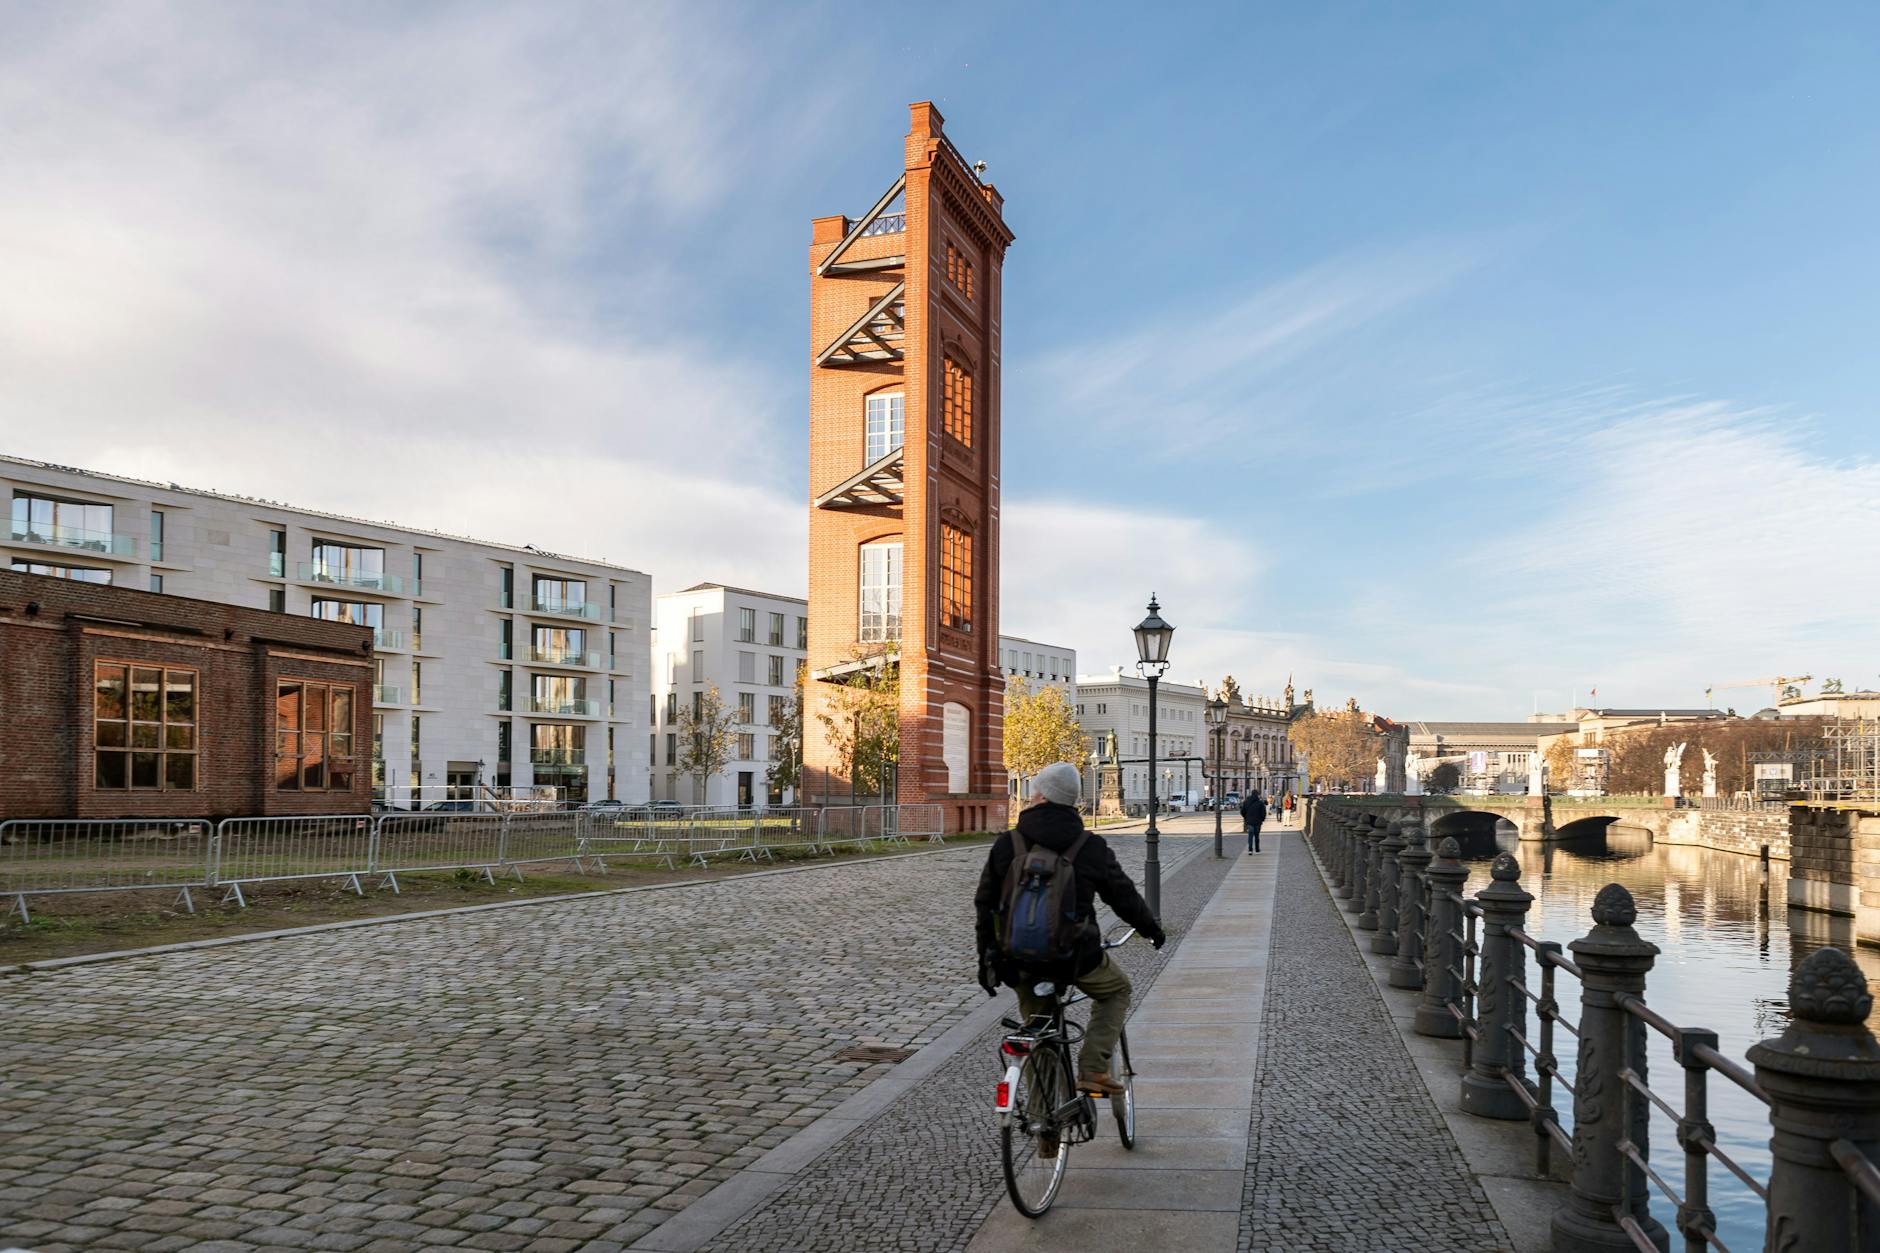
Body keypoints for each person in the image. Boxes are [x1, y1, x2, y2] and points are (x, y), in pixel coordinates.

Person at [974, 761, 1165, 1100]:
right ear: (1072, 800)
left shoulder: (1008, 843)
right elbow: (1123, 897)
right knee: (1117, 991)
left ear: (1039, 795)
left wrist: (987, 960)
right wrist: (1150, 928)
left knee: (1038, 1029)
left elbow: (985, 905)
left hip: (1020, 960)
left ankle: (1042, 1124)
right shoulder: (1089, 846)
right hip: (1077, 957)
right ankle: (1092, 1068)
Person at [1239, 788, 1268, 853]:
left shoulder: (1246, 802)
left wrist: (1246, 817)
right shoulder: (1260, 803)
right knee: (1257, 836)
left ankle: (1250, 849)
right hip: (1258, 822)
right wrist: (1262, 819)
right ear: (1257, 795)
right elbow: (1263, 813)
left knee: (1250, 835)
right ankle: (1257, 849)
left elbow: (1242, 811)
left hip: (1249, 822)